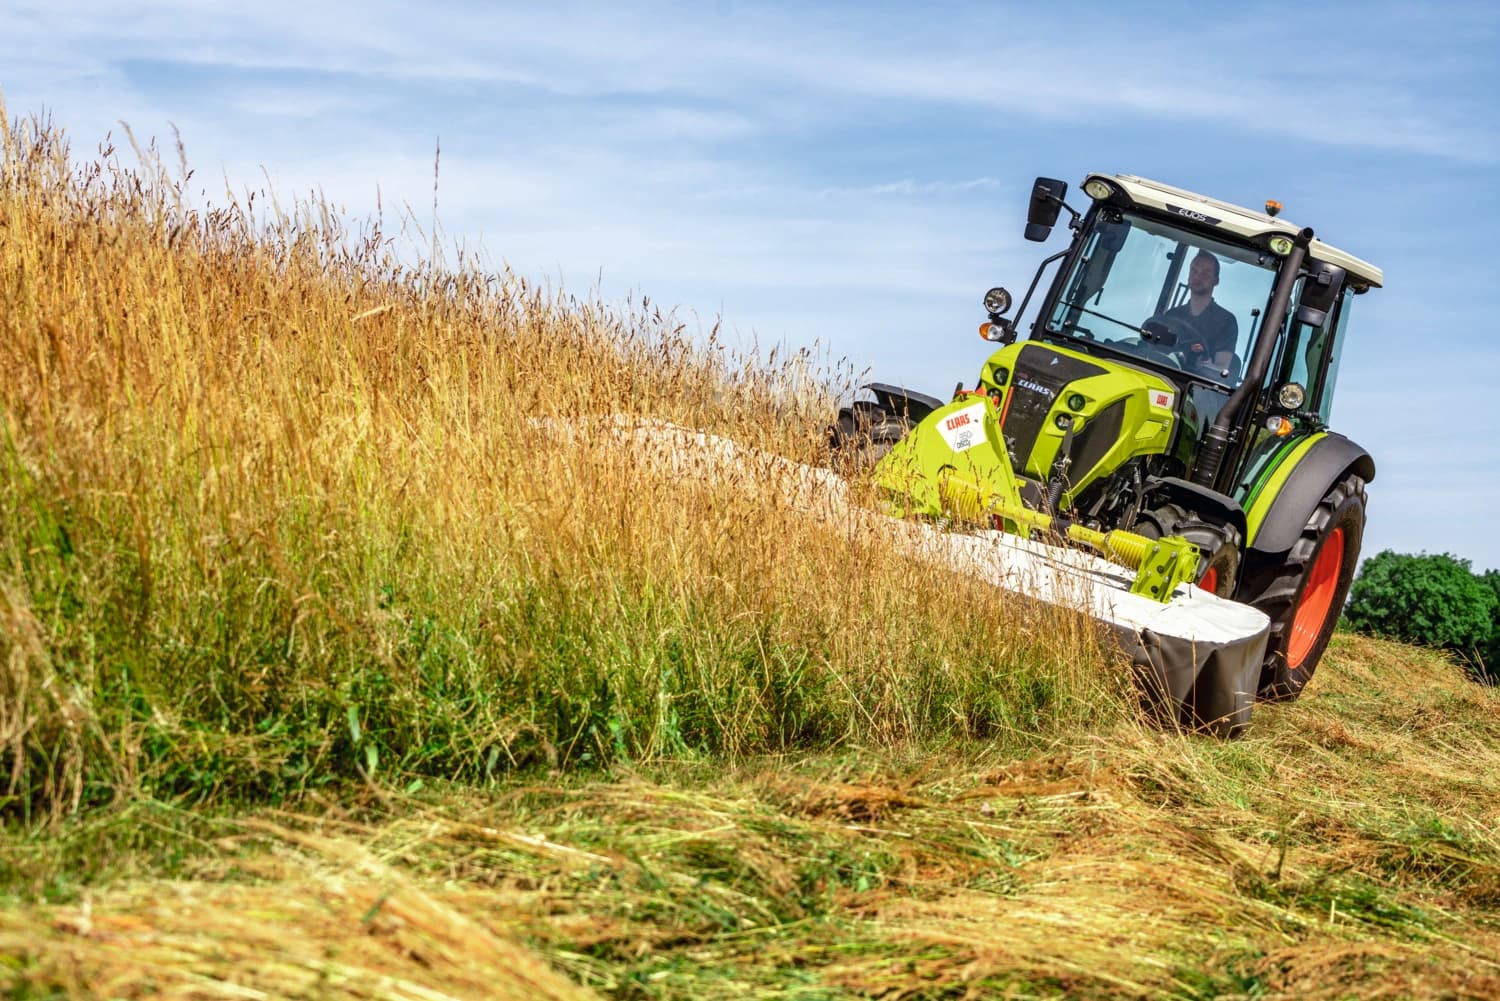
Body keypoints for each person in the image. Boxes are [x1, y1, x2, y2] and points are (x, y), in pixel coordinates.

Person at [1164, 251, 1238, 374]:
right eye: (1194, 271)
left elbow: (1222, 369)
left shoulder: (1226, 321)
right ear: (1188, 277)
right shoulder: (1172, 315)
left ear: (1216, 280)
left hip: (1199, 386)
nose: (1198, 276)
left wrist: (1206, 366)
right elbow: (1158, 352)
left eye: (1205, 273)